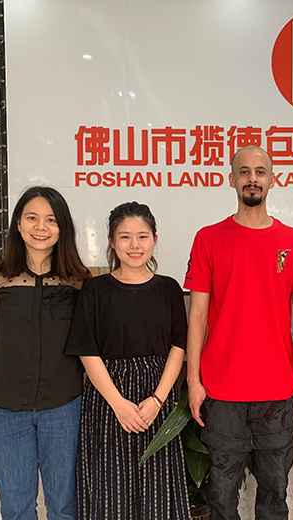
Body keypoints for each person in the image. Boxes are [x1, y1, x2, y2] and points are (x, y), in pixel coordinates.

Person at [184, 145, 293, 520]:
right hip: (222, 391)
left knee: (274, 495)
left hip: (277, 390)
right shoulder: (209, 238)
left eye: (260, 172)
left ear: (272, 180)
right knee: (221, 498)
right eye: (244, 171)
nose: (252, 178)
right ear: (232, 179)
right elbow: (197, 315)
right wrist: (194, 380)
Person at [0, 186, 90, 520]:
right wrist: (10, 378)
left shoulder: (78, 281)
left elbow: (89, 344)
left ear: (62, 228)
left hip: (64, 407)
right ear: (18, 225)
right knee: (16, 506)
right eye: (32, 218)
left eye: (51, 220)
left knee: (64, 505)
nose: (41, 227)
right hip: (5, 409)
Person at [65, 201, 189, 519]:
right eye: (125, 237)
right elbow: (87, 351)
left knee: (158, 489)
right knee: (110, 490)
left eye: (142, 236)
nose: (134, 245)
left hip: (157, 396)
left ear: (154, 239)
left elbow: (179, 347)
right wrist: (118, 404)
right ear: (111, 241)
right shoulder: (95, 290)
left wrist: (158, 400)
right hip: (108, 398)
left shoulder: (169, 289)